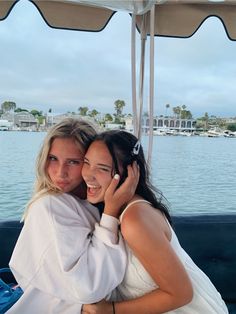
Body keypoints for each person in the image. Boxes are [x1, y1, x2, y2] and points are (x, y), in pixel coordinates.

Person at [81, 129, 228, 314]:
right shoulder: (109, 212)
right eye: (86, 163)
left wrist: (110, 310)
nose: (88, 174)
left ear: (130, 173)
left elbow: (181, 294)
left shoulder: (135, 220)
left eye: (102, 168)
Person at [7, 118, 139, 314]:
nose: (60, 173)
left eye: (73, 162)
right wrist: (110, 214)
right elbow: (90, 288)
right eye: (53, 158)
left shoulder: (93, 202)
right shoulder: (50, 206)